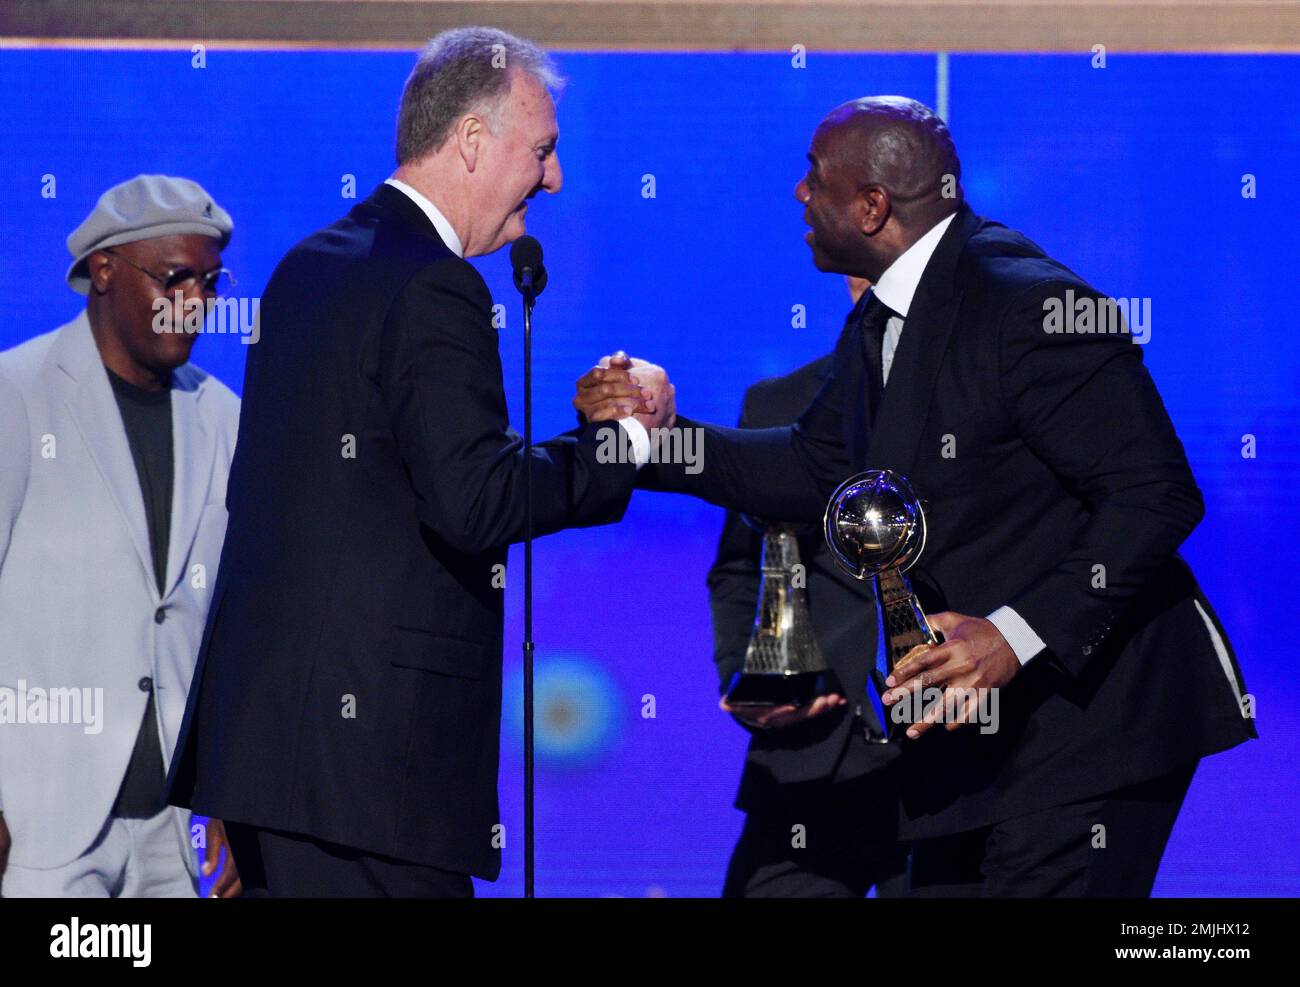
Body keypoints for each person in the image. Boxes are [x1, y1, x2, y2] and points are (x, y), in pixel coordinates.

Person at [577, 97, 1255, 897]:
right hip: (968, 742)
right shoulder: (888, 313)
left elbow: (1155, 494)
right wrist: (652, 435)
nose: (799, 193)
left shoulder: (1025, 304)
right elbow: (812, 469)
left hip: (1092, 727)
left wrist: (1012, 635)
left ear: (872, 207)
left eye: (814, 176)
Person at [165, 27, 673, 897]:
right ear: (472, 140)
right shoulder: (435, 284)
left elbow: (332, 501)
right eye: (542, 150)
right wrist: (622, 440)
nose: (554, 179)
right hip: (374, 779)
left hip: (270, 770)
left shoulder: (307, 267)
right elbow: (473, 500)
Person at [0, 175, 242, 897]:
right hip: (40, 829)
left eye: (209, 283)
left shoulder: (222, 416)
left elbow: (232, 628)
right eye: (175, 278)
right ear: (103, 270)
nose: (194, 301)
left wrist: (233, 797)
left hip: (175, 831)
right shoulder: (18, 394)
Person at [709, 276, 906, 897]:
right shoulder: (777, 405)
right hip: (812, 755)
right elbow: (740, 566)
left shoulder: (995, 393)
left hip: (959, 756)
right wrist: (750, 678)